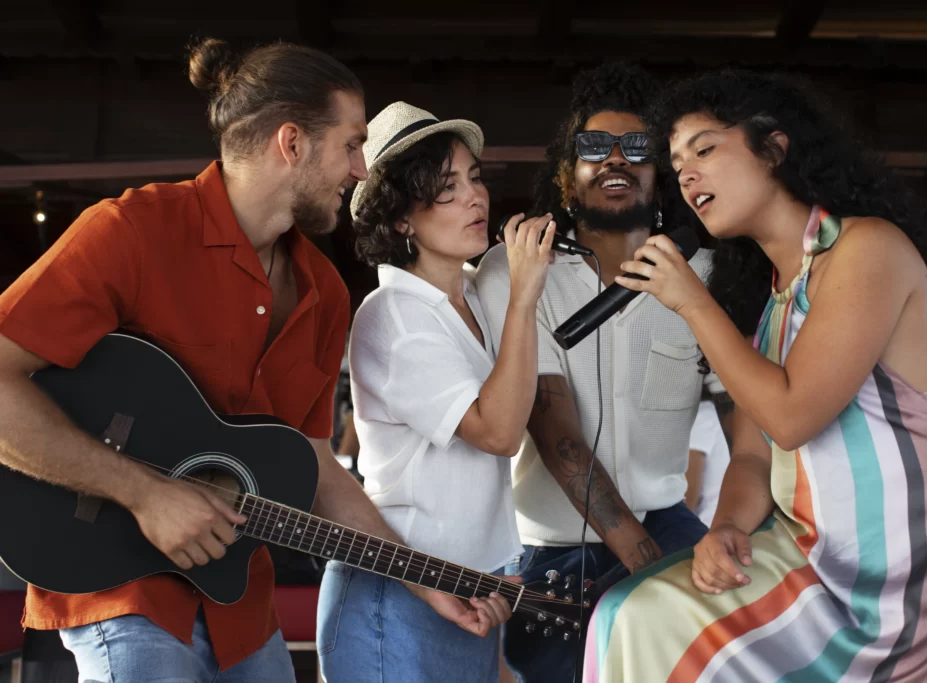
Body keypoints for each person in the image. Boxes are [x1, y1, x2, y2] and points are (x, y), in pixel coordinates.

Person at [0, 40, 508, 683]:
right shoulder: (131, 231)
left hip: (242, 605)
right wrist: (147, 493)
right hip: (120, 592)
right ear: (291, 143)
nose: (359, 170)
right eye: (351, 145)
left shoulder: (323, 293)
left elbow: (316, 467)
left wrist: (421, 580)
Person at [584, 68, 927, 682]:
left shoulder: (867, 249)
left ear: (774, 148)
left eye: (705, 149)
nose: (684, 175)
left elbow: (791, 418)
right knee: (630, 616)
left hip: (926, 573)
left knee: (640, 617)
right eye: (677, 162)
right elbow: (753, 457)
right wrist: (729, 527)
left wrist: (691, 303)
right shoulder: (769, 308)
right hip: (827, 564)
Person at [475, 62, 720, 683]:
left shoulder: (709, 275)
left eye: (637, 147)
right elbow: (560, 443)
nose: (616, 160)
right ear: (568, 172)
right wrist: (650, 566)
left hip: (670, 524)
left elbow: (749, 412)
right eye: (594, 147)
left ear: (660, 169)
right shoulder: (517, 271)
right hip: (557, 551)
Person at [316, 101, 554, 683]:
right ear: (401, 219)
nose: (476, 197)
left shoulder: (476, 295)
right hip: (392, 594)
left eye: (475, 178)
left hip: (469, 587)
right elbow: (498, 432)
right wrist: (524, 295)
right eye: (447, 189)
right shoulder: (394, 313)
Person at [684, 396, 731, 527]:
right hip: (722, 531)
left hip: (704, 532)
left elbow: (687, 498)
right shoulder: (714, 414)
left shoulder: (700, 415)